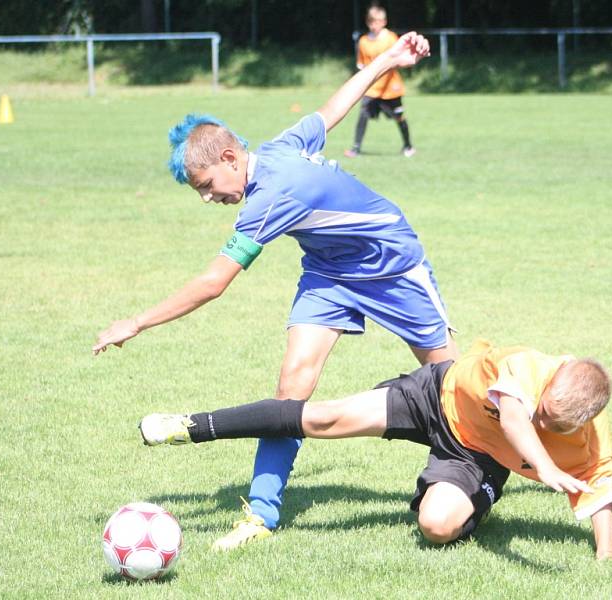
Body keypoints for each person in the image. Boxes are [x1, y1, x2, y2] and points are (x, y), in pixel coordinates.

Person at [93, 31, 458, 551]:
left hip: (391, 266)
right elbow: (332, 109)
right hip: (329, 273)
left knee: (451, 384)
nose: (207, 198)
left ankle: (503, 459)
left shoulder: (267, 197)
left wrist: (137, 321)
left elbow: (213, 283)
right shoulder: (280, 147)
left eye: (205, 186)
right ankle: (262, 513)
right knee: (292, 388)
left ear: (226, 157)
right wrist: (389, 60)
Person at [139, 339, 612, 560]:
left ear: (582, 421)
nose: (540, 419)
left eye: (552, 423)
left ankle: (477, 499)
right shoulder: (531, 367)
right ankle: (192, 426)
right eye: (544, 409)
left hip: (474, 456)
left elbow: (601, 491)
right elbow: (515, 414)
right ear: (558, 373)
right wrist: (546, 465)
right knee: (325, 417)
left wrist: (606, 556)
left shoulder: (589, 438)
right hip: (435, 394)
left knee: (436, 527)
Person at [344, 6, 416, 158]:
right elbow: (362, 65)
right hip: (372, 88)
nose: (373, 25)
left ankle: (408, 146)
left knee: (399, 117)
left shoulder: (391, 38)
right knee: (363, 114)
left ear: (384, 22)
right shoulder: (363, 41)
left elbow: (398, 60)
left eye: (376, 21)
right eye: (370, 22)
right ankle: (356, 148)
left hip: (391, 88)